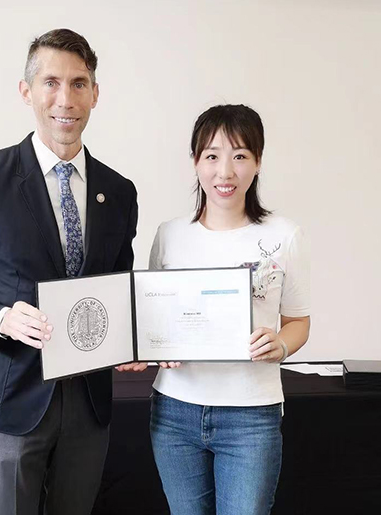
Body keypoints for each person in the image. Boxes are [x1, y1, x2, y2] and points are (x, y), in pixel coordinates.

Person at [0, 28, 138, 515]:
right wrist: (0, 319)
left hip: (89, 405)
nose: (66, 99)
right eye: (51, 82)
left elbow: (119, 286)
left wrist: (141, 337)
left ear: (95, 93)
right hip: (10, 400)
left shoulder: (119, 191)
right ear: (26, 91)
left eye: (79, 83)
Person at [120, 104, 310, 514]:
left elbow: (297, 321)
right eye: (212, 156)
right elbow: (154, 319)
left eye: (239, 155)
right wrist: (148, 348)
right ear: (195, 161)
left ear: (258, 162)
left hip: (251, 416)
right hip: (174, 412)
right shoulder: (169, 235)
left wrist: (280, 344)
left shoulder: (284, 235)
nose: (225, 172)